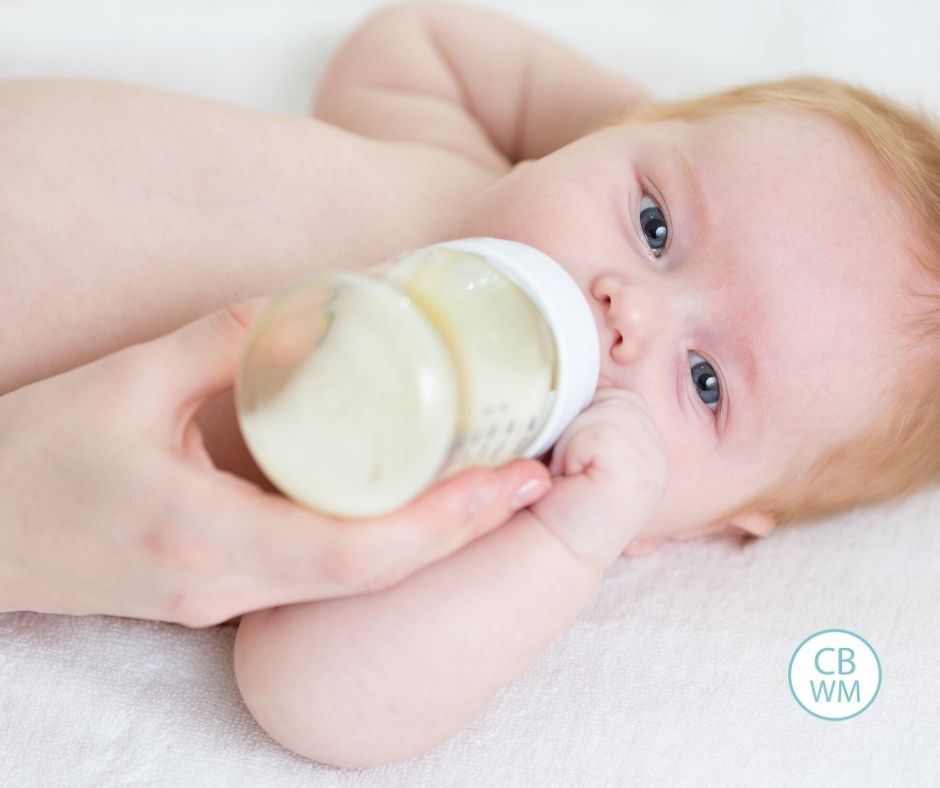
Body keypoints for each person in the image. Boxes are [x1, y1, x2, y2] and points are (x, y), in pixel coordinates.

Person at [2, 0, 938, 768]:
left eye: (703, 382)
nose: (629, 310)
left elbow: (314, 698)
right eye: (653, 222)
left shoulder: (464, 487)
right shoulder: (459, 171)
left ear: (699, 523)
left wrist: (563, 548)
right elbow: (415, 41)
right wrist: (620, 120)